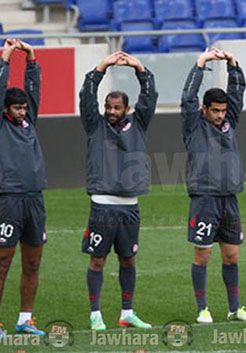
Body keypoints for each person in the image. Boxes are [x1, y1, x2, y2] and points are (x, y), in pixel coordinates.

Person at [79, 51, 158, 330]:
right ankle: (95, 314)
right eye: (108, 107)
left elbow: (150, 96)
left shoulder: (138, 124)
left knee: (128, 259)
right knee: (98, 260)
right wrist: (101, 67)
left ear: (126, 108)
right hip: (102, 205)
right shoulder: (94, 125)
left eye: (117, 107)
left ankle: (127, 312)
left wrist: (139, 68)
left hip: (130, 206)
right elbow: (86, 96)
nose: (111, 111)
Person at [181, 48, 246, 324]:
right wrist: (200, 63)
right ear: (205, 109)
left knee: (232, 255)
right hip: (204, 198)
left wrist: (233, 66)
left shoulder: (229, 122)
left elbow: (237, 92)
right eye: (215, 111)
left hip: (229, 198)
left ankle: (235, 308)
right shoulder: (193, 125)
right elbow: (187, 97)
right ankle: (203, 308)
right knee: (203, 254)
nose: (220, 115)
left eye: (223, 111)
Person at [0, 38, 46, 337]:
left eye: (24, 108)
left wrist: (31, 59)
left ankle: (25, 319)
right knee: (3, 262)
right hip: (9, 200)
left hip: (35, 200)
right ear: (6, 110)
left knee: (32, 263)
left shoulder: (29, 122)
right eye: (17, 108)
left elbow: (34, 92)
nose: (22, 112)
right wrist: (6, 58)